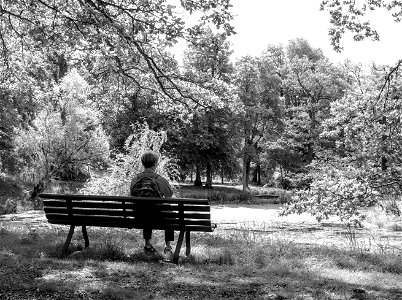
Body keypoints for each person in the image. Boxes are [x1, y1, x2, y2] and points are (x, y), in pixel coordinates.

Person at [130, 151, 174, 260]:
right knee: (169, 214)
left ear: (143, 163)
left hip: (139, 216)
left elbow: (132, 197)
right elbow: (169, 196)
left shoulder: (135, 179)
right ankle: (168, 247)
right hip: (157, 216)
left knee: (144, 209)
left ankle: (148, 245)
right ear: (155, 164)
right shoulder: (160, 179)